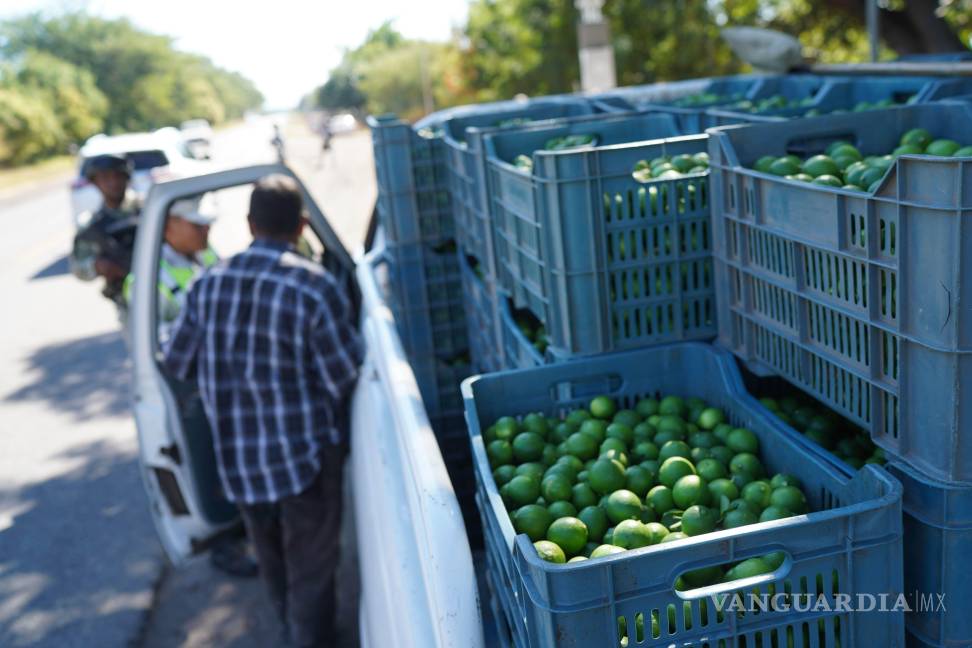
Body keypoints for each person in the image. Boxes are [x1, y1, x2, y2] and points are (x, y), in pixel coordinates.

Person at [162, 174, 362, 647]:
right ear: (301, 227)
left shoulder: (206, 284)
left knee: (272, 563)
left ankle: (290, 631)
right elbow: (344, 377)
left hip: (239, 463)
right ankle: (309, 638)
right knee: (311, 571)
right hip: (306, 462)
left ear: (250, 224)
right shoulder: (315, 287)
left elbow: (177, 361)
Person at [125, 196, 260, 578]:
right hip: (192, 393)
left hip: (224, 383)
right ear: (169, 228)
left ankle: (245, 526)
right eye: (196, 224)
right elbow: (166, 349)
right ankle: (224, 541)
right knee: (206, 467)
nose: (206, 230)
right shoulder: (150, 281)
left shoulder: (203, 255)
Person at [70, 154, 141, 314]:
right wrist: (98, 267)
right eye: (105, 178)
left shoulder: (148, 210)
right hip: (128, 301)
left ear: (126, 178)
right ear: (95, 183)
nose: (113, 183)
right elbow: (78, 266)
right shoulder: (92, 226)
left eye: (117, 176)